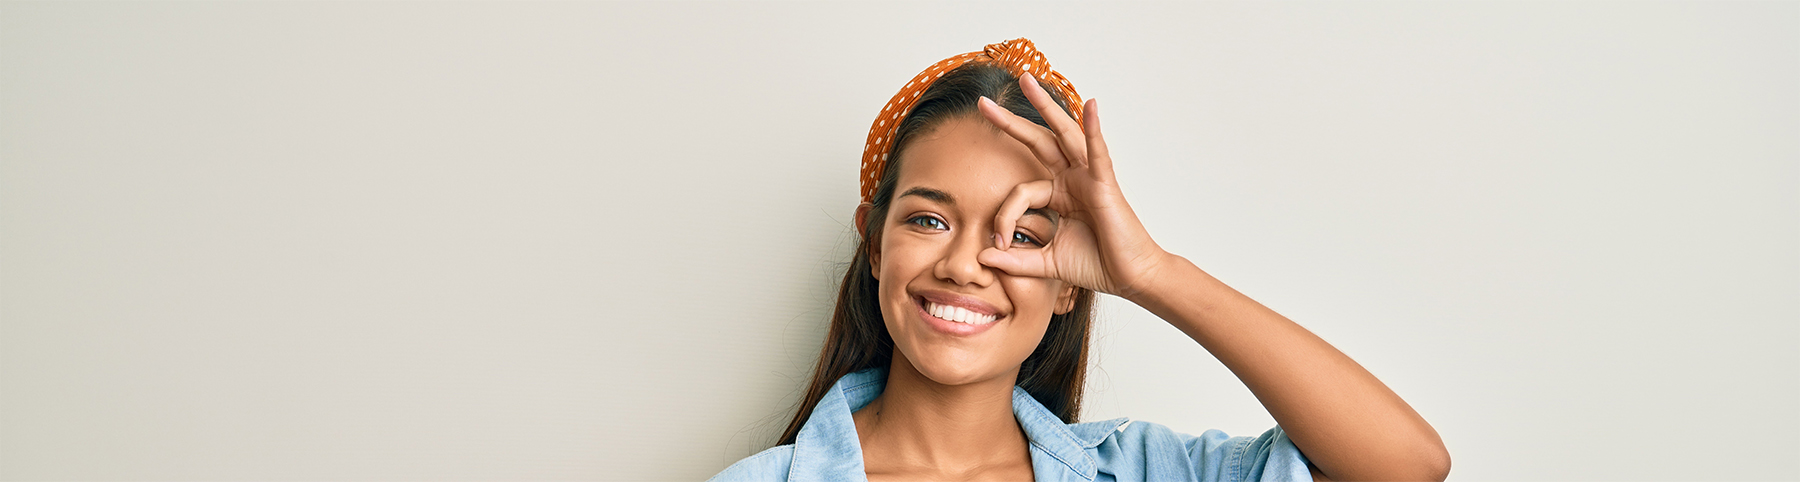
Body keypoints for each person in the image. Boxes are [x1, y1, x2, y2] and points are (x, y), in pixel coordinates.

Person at [709, 38, 1449, 482]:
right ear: (874, 243)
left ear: (1069, 286)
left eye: (1023, 236)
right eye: (930, 219)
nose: (966, 266)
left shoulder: (1142, 470)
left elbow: (1405, 467)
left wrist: (1151, 273)